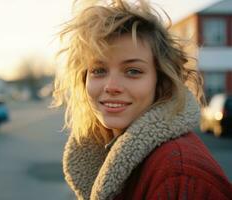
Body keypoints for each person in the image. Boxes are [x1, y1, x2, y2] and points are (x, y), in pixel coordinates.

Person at [52, 0, 232, 199]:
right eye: (99, 70)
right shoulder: (113, 148)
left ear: (162, 81)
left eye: (133, 71)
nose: (111, 86)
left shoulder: (178, 176)